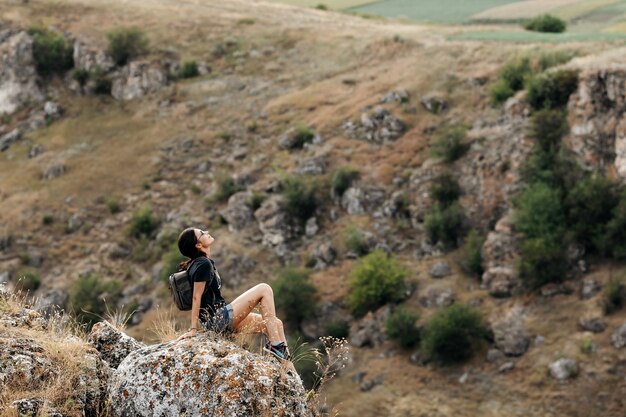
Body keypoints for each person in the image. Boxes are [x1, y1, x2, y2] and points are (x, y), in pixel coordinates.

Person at [174, 227, 291, 361]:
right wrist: (193, 329)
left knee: (276, 324)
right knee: (264, 288)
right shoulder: (202, 263)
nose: (206, 232)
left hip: (220, 318)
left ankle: (288, 369)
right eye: (201, 233)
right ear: (198, 245)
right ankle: (275, 345)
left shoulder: (200, 263)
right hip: (217, 320)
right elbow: (196, 297)